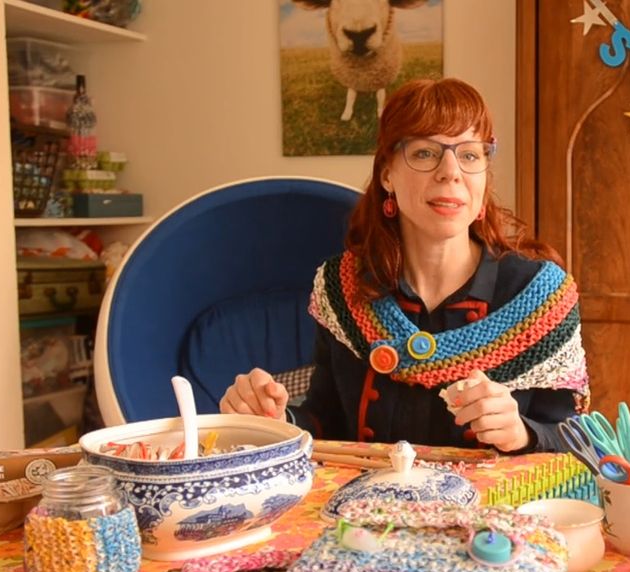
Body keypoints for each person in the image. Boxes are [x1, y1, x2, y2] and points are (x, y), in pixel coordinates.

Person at [221, 78, 589, 453]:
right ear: (387, 174)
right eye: (426, 153)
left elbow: (578, 442)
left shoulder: (540, 297)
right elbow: (326, 418)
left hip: (496, 511)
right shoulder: (341, 288)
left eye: (469, 154)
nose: (451, 171)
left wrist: (522, 433)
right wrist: (273, 420)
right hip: (362, 511)